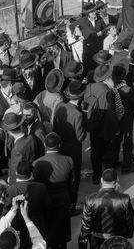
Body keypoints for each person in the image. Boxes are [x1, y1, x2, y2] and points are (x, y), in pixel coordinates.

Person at [33, 133, 74, 249]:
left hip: (46, 201)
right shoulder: (68, 160)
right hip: (63, 199)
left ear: (45, 145)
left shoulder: (37, 163)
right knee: (63, 230)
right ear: (59, 144)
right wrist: (71, 199)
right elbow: (72, 183)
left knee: (49, 231)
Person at [83, 63, 121, 184]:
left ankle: (96, 176)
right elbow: (111, 113)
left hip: (93, 125)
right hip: (106, 127)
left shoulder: (89, 87)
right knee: (108, 152)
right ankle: (108, 177)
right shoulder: (109, 92)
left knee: (95, 151)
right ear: (107, 77)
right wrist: (115, 128)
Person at [78, 168, 134, 249]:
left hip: (96, 242)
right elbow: (130, 220)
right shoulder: (124, 199)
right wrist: (128, 235)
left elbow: (85, 225)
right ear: (117, 179)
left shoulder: (90, 199)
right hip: (117, 241)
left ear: (101, 180)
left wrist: (82, 245)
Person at [53, 79, 87, 213]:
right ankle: (71, 206)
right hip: (73, 149)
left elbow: (55, 128)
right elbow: (80, 136)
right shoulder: (78, 115)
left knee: (64, 176)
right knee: (74, 178)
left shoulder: (60, 106)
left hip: (60, 146)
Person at [3, 160, 52, 246]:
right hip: (37, 229)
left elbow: (5, 214)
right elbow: (48, 209)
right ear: (31, 173)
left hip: (18, 234)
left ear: (16, 172)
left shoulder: (11, 189)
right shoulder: (41, 187)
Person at [1, 112, 38, 185]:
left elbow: (15, 171)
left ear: (8, 131)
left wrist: (10, 184)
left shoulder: (16, 151)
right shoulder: (31, 138)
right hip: (30, 174)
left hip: (21, 182)